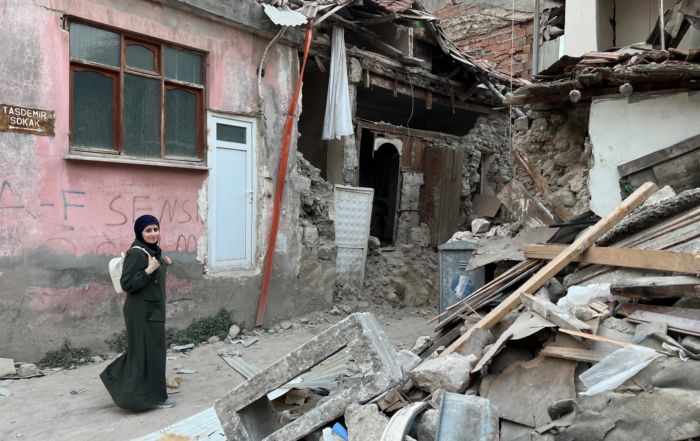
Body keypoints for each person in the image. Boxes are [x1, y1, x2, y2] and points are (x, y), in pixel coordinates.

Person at [100, 215, 174, 410]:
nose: (153, 234)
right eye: (148, 230)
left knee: (148, 352)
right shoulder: (137, 253)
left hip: (151, 307)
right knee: (150, 352)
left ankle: (123, 381)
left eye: (155, 229)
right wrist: (150, 270)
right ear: (139, 232)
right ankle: (155, 396)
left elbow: (150, 276)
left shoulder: (152, 250)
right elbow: (127, 283)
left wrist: (162, 266)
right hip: (141, 311)